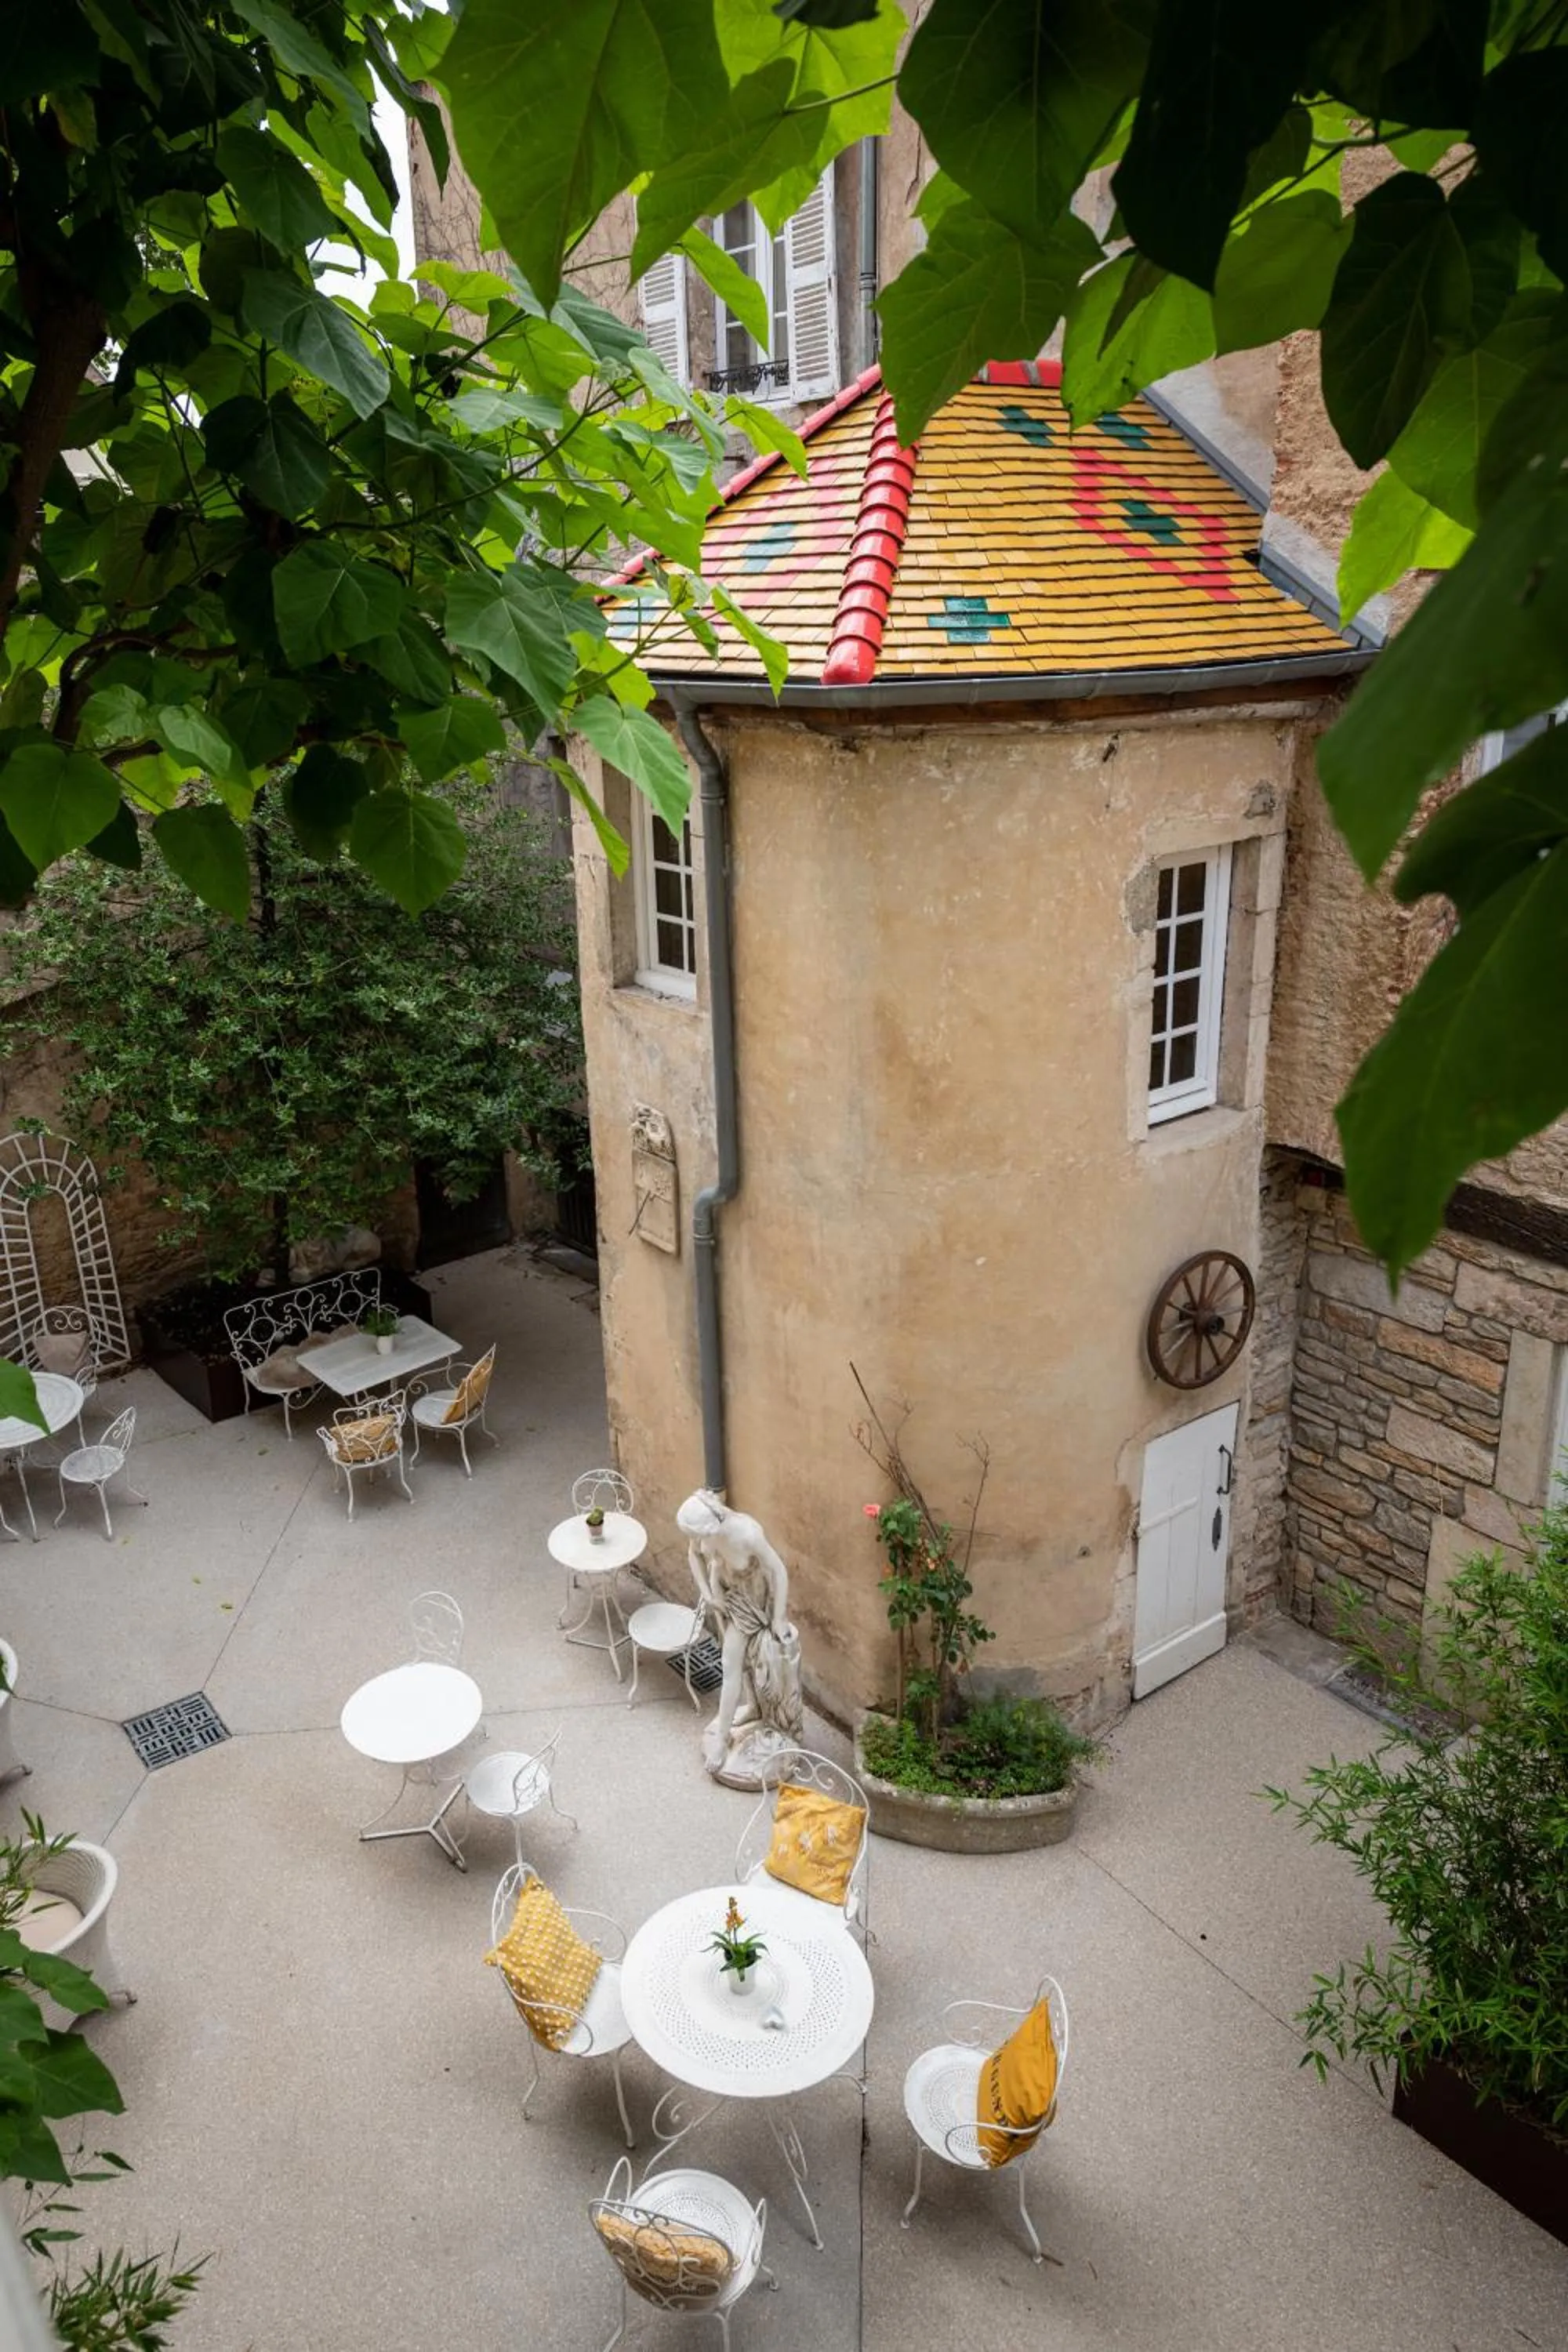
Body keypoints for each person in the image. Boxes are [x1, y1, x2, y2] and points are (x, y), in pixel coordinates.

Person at [677, 1489, 804, 1785]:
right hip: (725, 1599)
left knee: (730, 1665)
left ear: (710, 1527)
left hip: (751, 1604)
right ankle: (754, 1708)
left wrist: (779, 1617)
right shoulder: (705, 1530)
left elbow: (779, 1571)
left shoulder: (747, 1534)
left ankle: (722, 1740)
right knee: (742, 1662)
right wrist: (709, 1595)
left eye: (698, 1535)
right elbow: (693, 1554)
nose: (697, 1541)